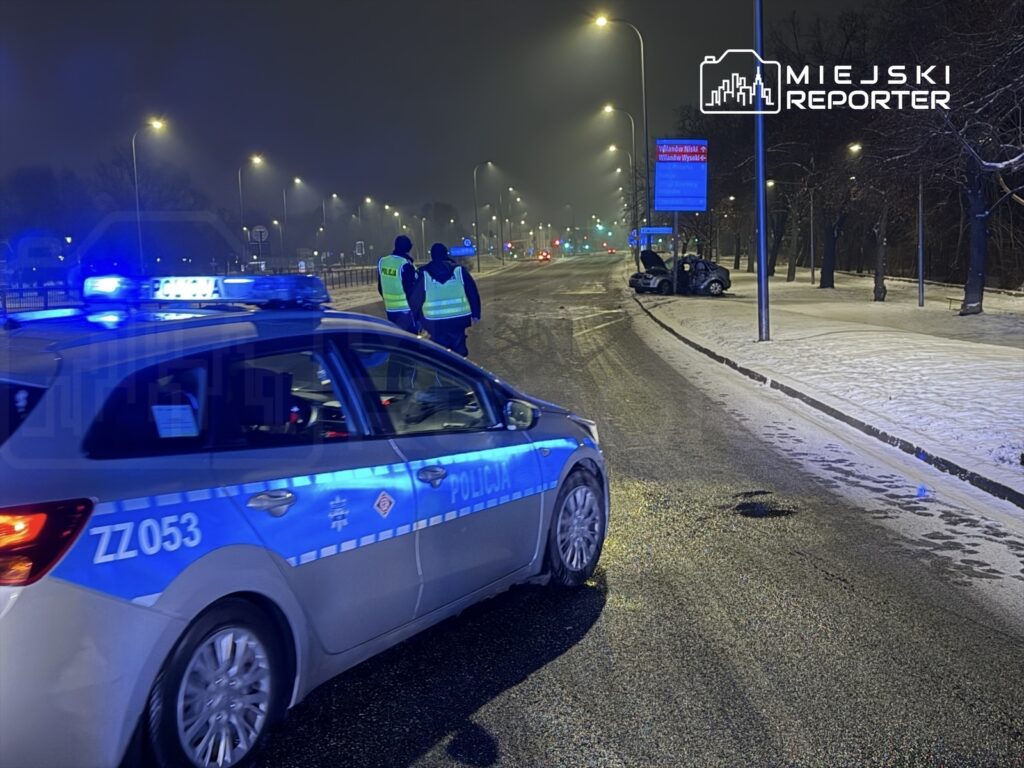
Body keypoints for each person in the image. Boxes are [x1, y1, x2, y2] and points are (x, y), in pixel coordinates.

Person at [410, 243, 481, 357]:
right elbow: (472, 292)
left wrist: (416, 320)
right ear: (446, 254)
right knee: (459, 352)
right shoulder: (459, 271)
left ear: (432, 256)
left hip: (435, 322)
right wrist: (476, 314)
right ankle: (460, 366)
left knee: (440, 353)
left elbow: (415, 299)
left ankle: (443, 367)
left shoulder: (424, 274)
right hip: (458, 320)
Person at [377, 235, 418, 333]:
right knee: (410, 338)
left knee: (396, 336)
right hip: (406, 310)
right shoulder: (405, 264)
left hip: (390, 309)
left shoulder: (383, 262)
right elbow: (411, 290)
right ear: (408, 248)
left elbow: (380, 287)